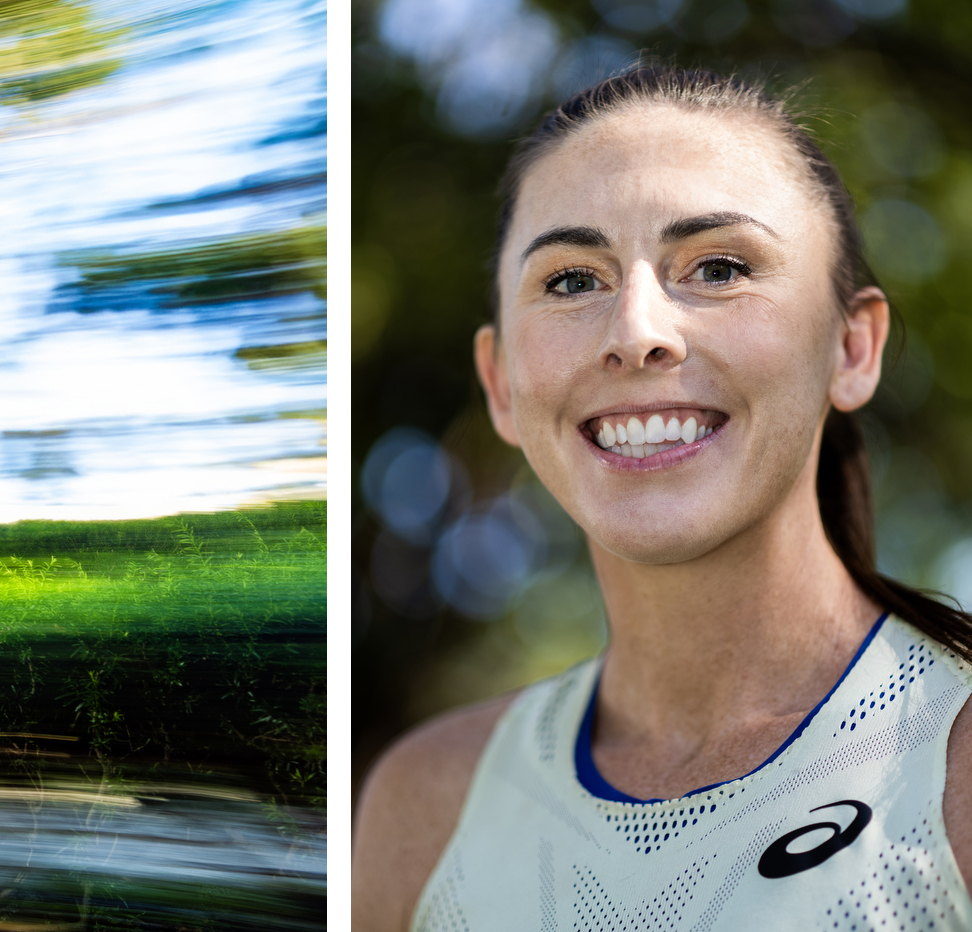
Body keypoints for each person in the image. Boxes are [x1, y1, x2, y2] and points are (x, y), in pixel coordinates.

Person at [355, 67, 972, 929]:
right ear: (499, 384)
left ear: (852, 349)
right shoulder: (422, 809)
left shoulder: (955, 763)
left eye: (718, 267)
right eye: (572, 280)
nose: (637, 332)